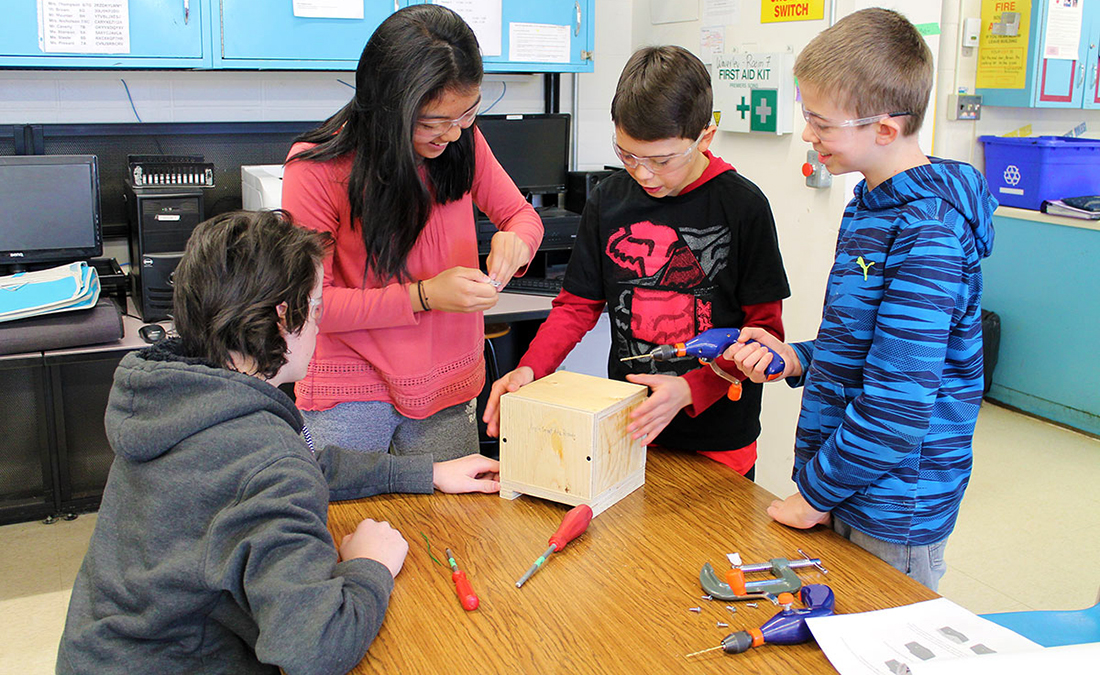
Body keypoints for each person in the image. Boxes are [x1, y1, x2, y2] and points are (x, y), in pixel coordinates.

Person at [56, 211, 501, 674]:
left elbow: (299, 466)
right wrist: (370, 566)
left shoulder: (177, 399)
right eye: (318, 308)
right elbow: (314, 648)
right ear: (284, 316)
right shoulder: (264, 459)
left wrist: (425, 472)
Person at [725, 9, 995, 591]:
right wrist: (797, 357)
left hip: (893, 508)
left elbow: (899, 402)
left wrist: (813, 495)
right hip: (852, 485)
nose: (808, 135)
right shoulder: (872, 205)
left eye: (822, 122)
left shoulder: (928, 232)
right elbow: (871, 347)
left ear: (884, 129)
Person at [483, 46, 790, 479]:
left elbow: (766, 336)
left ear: (706, 136)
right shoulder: (609, 199)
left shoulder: (742, 206)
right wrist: (532, 369)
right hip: (627, 426)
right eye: (628, 155)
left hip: (719, 442)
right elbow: (576, 307)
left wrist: (688, 389)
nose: (643, 175)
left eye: (661, 161)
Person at [281, 4, 543, 461]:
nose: (453, 134)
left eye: (467, 114)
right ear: (387, 108)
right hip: (352, 391)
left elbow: (523, 217)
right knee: (349, 522)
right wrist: (423, 296)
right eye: (432, 122)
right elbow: (313, 306)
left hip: (448, 385)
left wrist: (517, 241)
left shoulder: (464, 142)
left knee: (452, 529)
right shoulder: (317, 168)